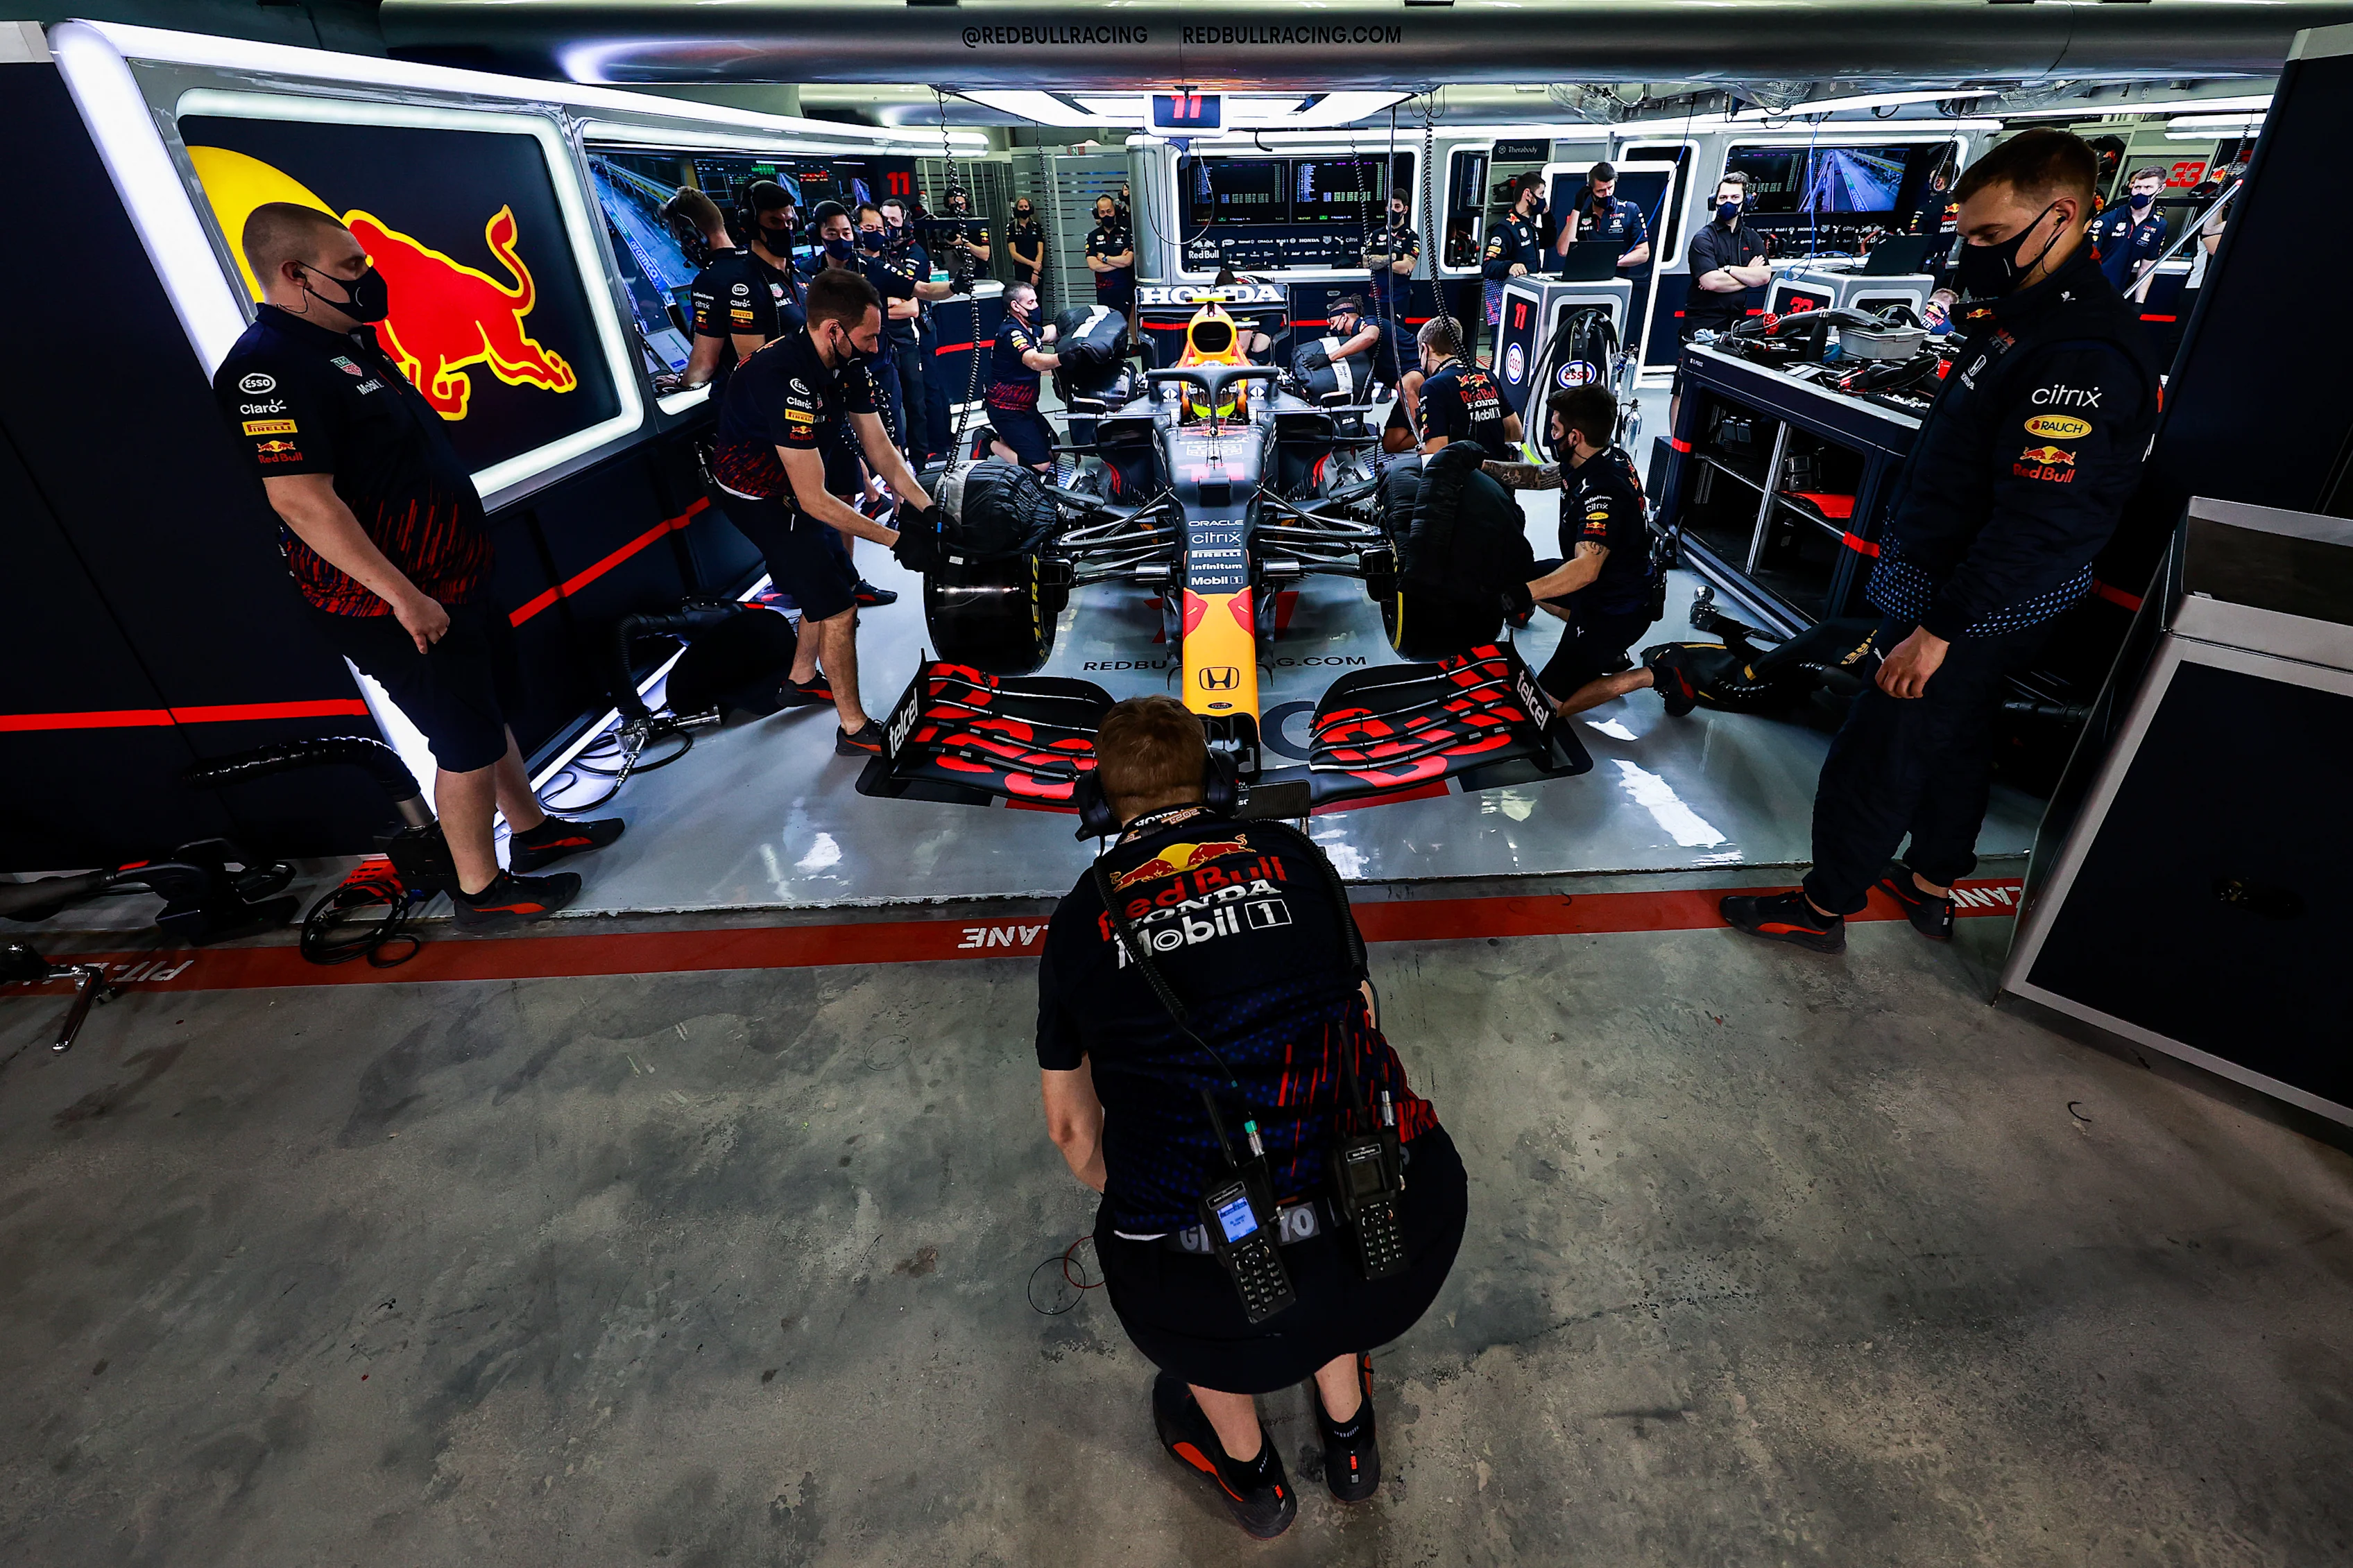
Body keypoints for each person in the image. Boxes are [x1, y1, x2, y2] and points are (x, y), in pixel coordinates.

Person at [1036, 694, 1467, 1542]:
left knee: (1205, 1274)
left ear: (1096, 804)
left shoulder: (1079, 924)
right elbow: (1364, 1016)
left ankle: (1254, 1481)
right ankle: (1350, 1443)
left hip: (1208, 1289)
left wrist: (1142, 1201)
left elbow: (1072, 1133)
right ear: (1224, 782)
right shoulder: (1296, 858)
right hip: (1404, 1228)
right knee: (1333, 1165)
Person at [1721, 128, 2159, 954]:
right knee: (1957, 734)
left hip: (1971, 603)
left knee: (1879, 748)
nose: (1974, 255)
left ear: (2062, 218)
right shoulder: (2022, 322)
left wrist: (1939, 631)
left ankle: (1820, 907)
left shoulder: (2081, 354)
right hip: (1976, 595)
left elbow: (2036, 517)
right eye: (1967, 237)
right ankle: (1930, 880)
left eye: (1991, 238)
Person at [212, 204, 622, 927]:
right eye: (350, 269)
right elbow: (302, 501)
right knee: (461, 739)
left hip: (453, 580)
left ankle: (532, 832)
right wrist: (404, 596)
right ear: (293, 274)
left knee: (485, 710)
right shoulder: (267, 370)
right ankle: (478, 890)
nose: (368, 278)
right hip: (392, 603)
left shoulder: (348, 343)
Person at [710, 267, 941, 755]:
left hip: (793, 491)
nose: (876, 347)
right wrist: (900, 541)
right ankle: (853, 728)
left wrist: (931, 514)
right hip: (759, 500)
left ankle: (798, 680)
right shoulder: (781, 375)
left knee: (832, 573)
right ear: (833, 330)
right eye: (868, 336)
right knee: (838, 606)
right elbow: (813, 498)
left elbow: (881, 451)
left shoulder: (849, 360)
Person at [1484, 386, 1668, 716]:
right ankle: (1604, 654)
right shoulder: (1597, 457)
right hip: (1599, 590)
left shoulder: (1604, 491)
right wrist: (1480, 465)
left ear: (1575, 436)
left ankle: (1652, 674)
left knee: (1544, 706)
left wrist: (1523, 594)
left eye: (1555, 429)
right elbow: (1541, 477)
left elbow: (1586, 569)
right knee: (1513, 575)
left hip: (1616, 609)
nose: (1551, 436)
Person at [1672, 171, 1770, 429]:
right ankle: (1676, 446)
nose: (1727, 201)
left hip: (1735, 327)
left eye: (1734, 197)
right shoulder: (1703, 239)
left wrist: (1728, 270)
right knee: (1685, 387)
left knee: (1724, 390)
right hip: (1701, 324)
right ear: (1714, 200)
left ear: (1746, 201)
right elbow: (1710, 282)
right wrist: (1745, 273)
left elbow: (1763, 277)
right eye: (1723, 196)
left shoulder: (1751, 238)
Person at [664, 187, 767, 395]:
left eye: (680, 237)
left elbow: (704, 366)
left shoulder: (710, 282)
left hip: (747, 404)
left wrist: (681, 381)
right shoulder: (759, 261)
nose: (682, 247)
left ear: (692, 237)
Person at [1414, 316, 1519, 458]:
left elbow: (1435, 452)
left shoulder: (1433, 386)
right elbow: (1516, 432)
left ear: (1425, 349)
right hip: (1499, 469)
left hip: (1464, 475)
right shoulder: (1487, 376)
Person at [986, 283, 1062, 473]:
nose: (1036, 306)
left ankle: (1007, 440)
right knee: (1040, 466)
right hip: (1007, 409)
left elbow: (1049, 333)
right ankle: (987, 443)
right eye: (1031, 302)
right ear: (1015, 306)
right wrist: (1066, 358)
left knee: (1055, 453)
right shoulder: (1012, 333)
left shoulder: (1028, 328)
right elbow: (1034, 361)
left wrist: (1076, 324)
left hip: (1027, 408)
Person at [1479, 173, 1546, 356]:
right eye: (1541, 195)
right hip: (1505, 313)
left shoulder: (1529, 226)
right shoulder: (1505, 228)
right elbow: (1488, 266)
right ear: (1528, 194)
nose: (1543, 200)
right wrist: (1510, 266)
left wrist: (1547, 214)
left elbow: (1550, 240)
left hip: (1527, 309)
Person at [1556, 161, 1651, 277]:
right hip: (1584, 282)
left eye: (1610, 188)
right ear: (1590, 190)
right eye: (1601, 191)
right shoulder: (1581, 216)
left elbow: (1644, 253)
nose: (1607, 194)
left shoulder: (1630, 210)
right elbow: (1563, 250)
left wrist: (1609, 261)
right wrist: (1577, 208)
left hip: (1616, 282)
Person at [2091, 165, 2168, 295]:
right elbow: (2088, 256)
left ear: (2161, 189)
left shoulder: (2158, 225)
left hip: (2117, 292)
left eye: (2148, 187)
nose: (2141, 192)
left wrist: (2139, 302)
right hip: (2090, 288)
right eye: (2137, 187)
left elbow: (2147, 267)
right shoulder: (2108, 219)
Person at [1086, 193, 1140, 362]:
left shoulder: (1126, 233)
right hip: (1104, 289)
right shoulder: (1093, 236)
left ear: (1114, 210)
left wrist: (1104, 258)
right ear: (1098, 214)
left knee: (1125, 319)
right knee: (1107, 321)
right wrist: (1118, 262)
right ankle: (1110, 350)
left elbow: (1128, 260)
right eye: (1102, 212)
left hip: (1124, 286)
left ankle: (1126, 349)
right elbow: (1092, 265)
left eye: (1109, 211)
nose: (1106, 215)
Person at [1364, 189, 1419, 324]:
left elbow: (1406, 268)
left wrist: (1380, 261)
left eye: (1397, 207)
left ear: (1405, 210)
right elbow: (1366, 262)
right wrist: (1392, 258)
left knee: (1397, 338)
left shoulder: (1411, 237)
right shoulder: (1376, 234)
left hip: (1398, 299)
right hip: (1376, 298)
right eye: (1390, 206)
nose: (1393, 210)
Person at [1006, 195, 1046, 288]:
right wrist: (1032, 264)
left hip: (1037, 269)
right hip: (1021, 269)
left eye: (1026, 207)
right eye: (1021, 207)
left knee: (1038, 298)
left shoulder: (1037, 227)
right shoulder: (1011, 227)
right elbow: (1013, 253)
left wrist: (1036, 270)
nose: (1024, 209)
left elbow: (1040, 251)